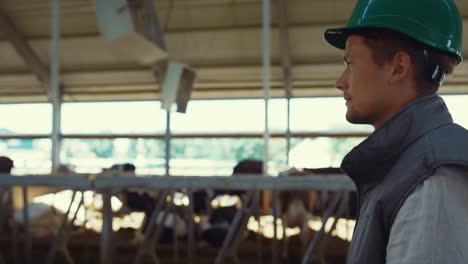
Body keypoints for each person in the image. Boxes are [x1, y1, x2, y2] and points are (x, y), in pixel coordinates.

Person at [324, 0, 468, 263]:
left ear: (398, 67)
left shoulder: (432, 182)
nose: (340, 82)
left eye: (350, 63)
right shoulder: (406, 164)